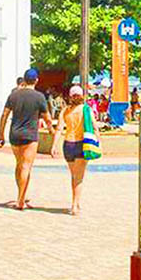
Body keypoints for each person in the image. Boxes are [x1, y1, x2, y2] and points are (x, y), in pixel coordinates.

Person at [0, 68, 52, 210]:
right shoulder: (39, 97)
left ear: (24, 80)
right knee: (26, 166)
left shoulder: (14, 95)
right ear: (37, 80)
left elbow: (4, 115)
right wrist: (51, 129)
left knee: (19, 164)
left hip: (14, 134)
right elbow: (47, 117)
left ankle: (20, 195)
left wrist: (1, 134)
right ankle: (21, 200)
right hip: (30, 136)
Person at [54, 85, 93, 216]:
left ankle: (76, 201)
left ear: (70, 96)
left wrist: (54, 145)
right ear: (82, 95)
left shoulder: (65, 111)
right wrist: (99, 143)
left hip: (68, 144)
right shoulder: (86, 110)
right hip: (81, 144)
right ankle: (75, 205)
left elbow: (59, 129)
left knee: (74, 175)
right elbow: (94, 126)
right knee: (79, 177)